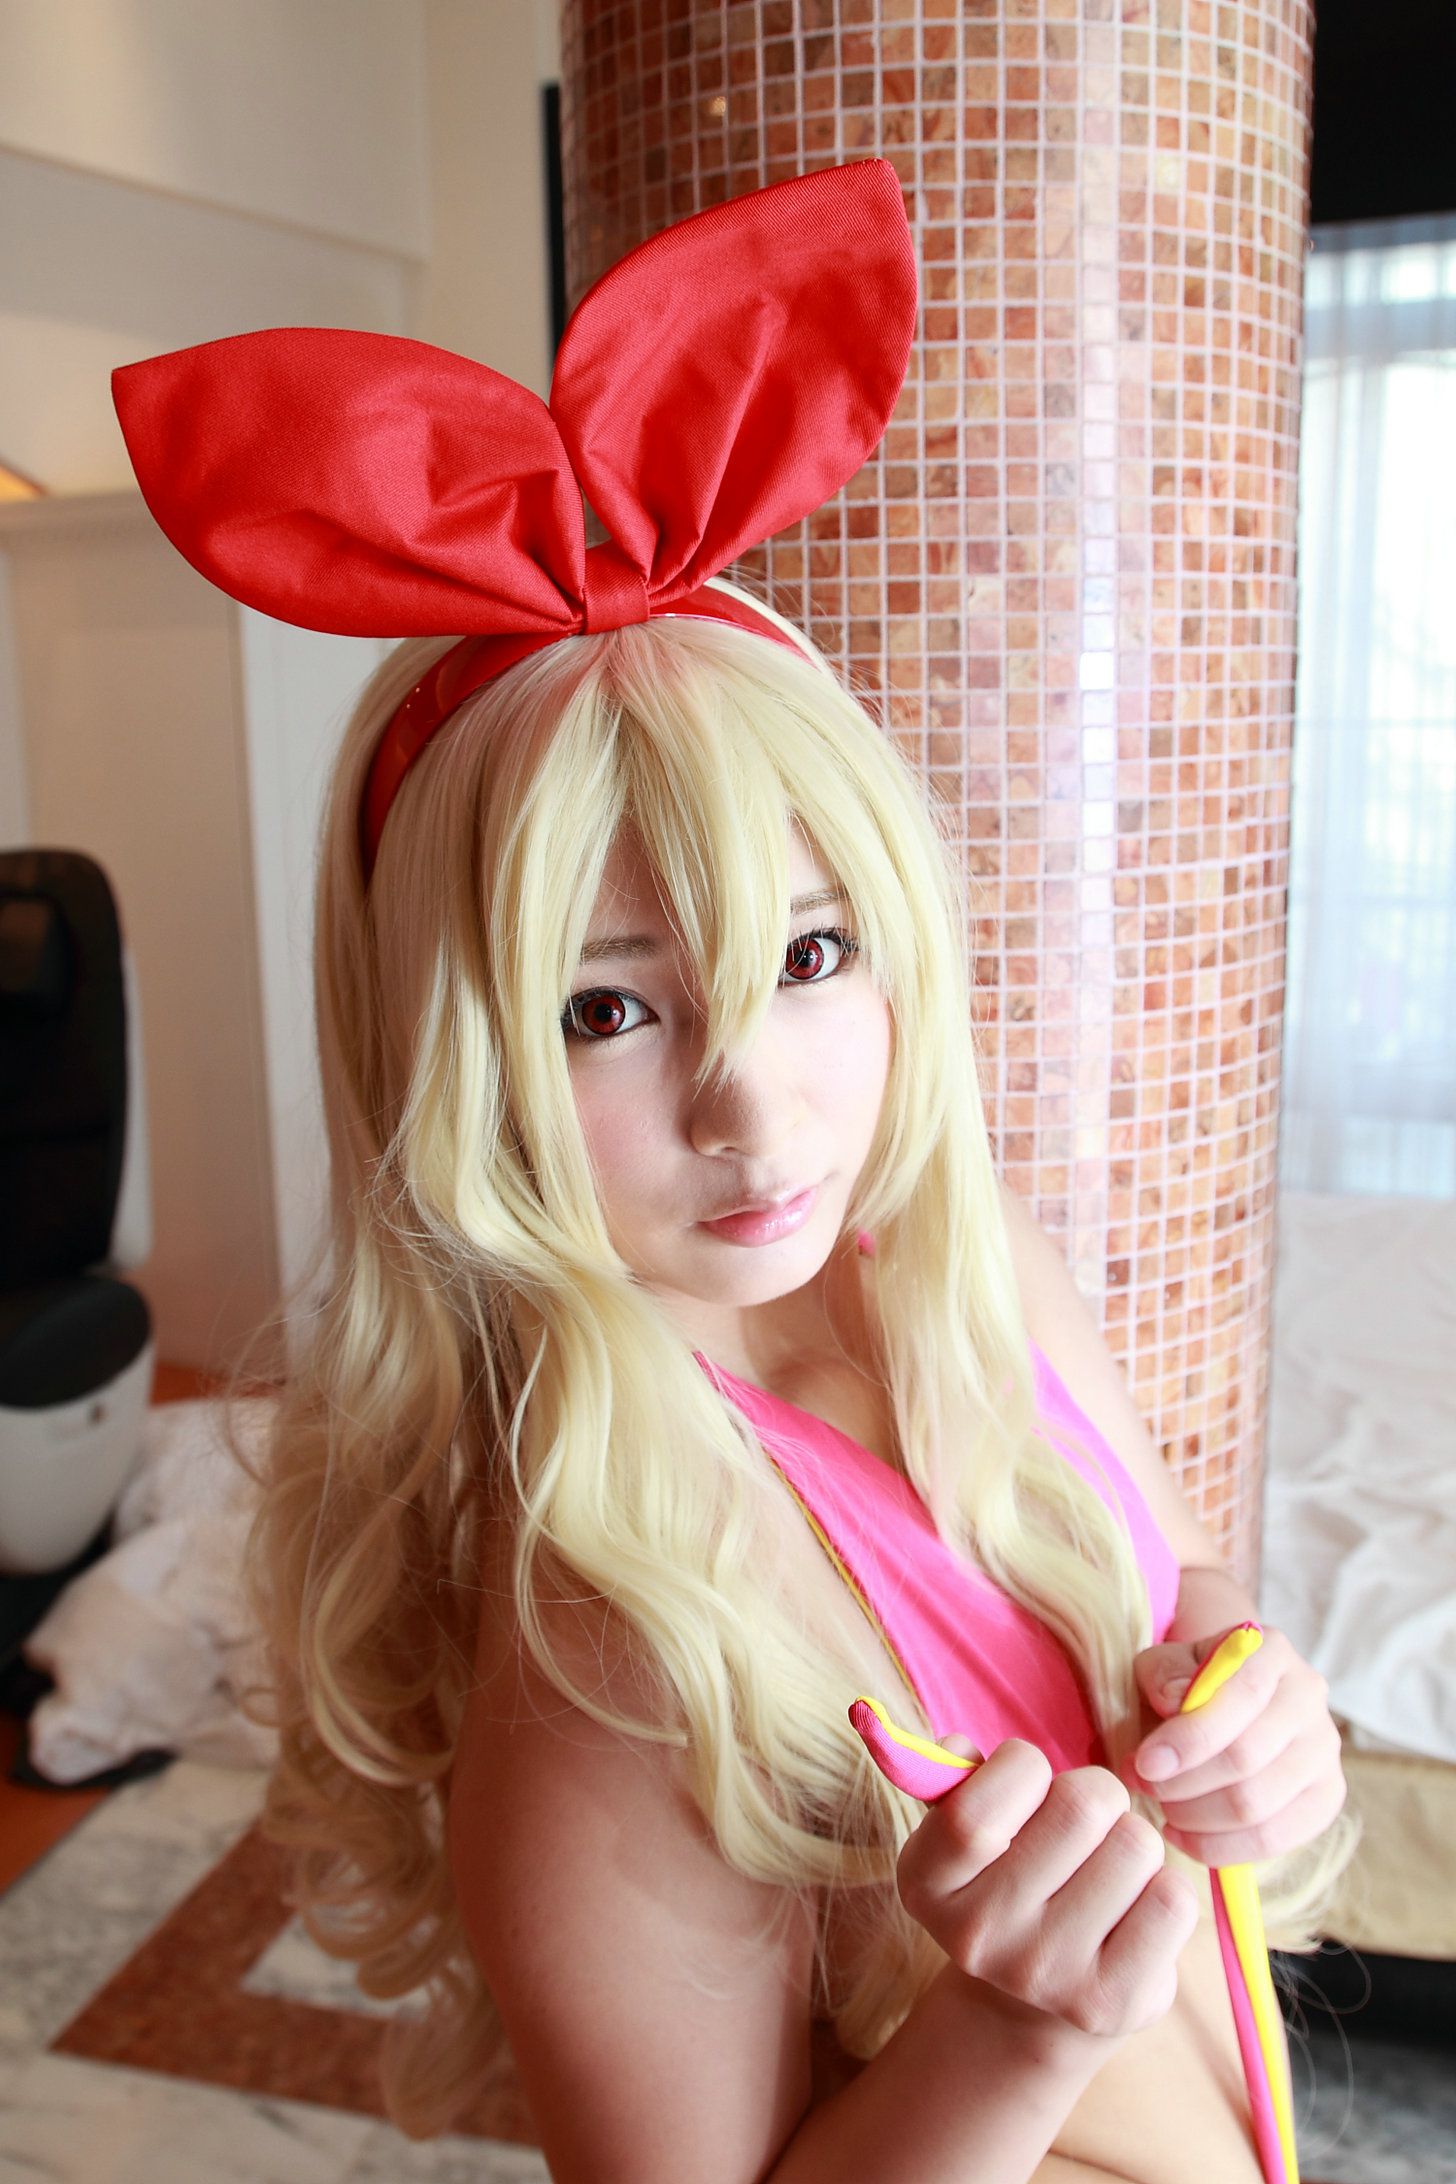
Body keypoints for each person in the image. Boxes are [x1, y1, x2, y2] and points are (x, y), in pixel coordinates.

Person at [113, 161, 1350, 2183]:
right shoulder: (610, 1639)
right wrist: (1011, 2034)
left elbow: (1163, 1584)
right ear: (454, 1067)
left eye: (809, 956)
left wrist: (1243, 1693)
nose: (754, 1113)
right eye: (608, 1009)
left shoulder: (974, 1268)